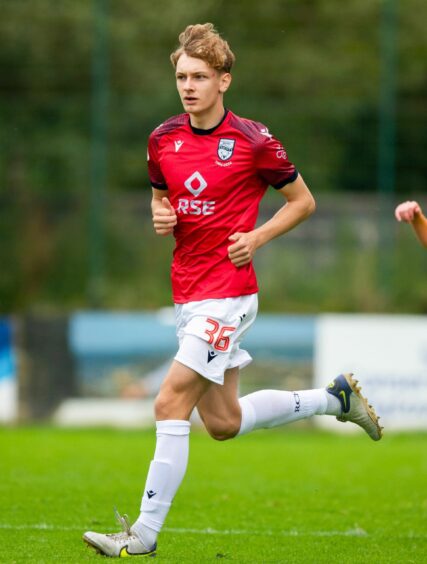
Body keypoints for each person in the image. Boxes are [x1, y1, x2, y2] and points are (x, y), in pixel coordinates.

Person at [83, 23, 382, 558]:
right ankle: (335, 398)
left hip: (229, 291)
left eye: (200, 76)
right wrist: (160, 213)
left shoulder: (253, 141)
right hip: (188, 292)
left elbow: (303, 202)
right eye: (181, 76)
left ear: (224, 80)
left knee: (169, 401)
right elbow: (161, 198)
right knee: (223, 423)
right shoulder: (161, 139)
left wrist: (258, 237)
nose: (188, 86)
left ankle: (143, 535)